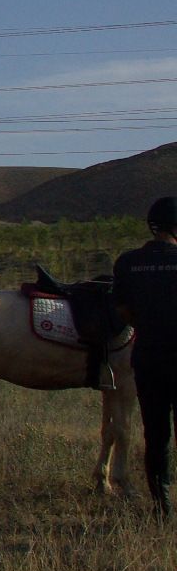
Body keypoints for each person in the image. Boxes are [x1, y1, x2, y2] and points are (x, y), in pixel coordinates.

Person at [113, 196, 177, 516]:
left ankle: (161, 504)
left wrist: (148, 324)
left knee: (156, 434)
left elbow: (123, 310)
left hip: (149, 358)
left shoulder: (127, 262)